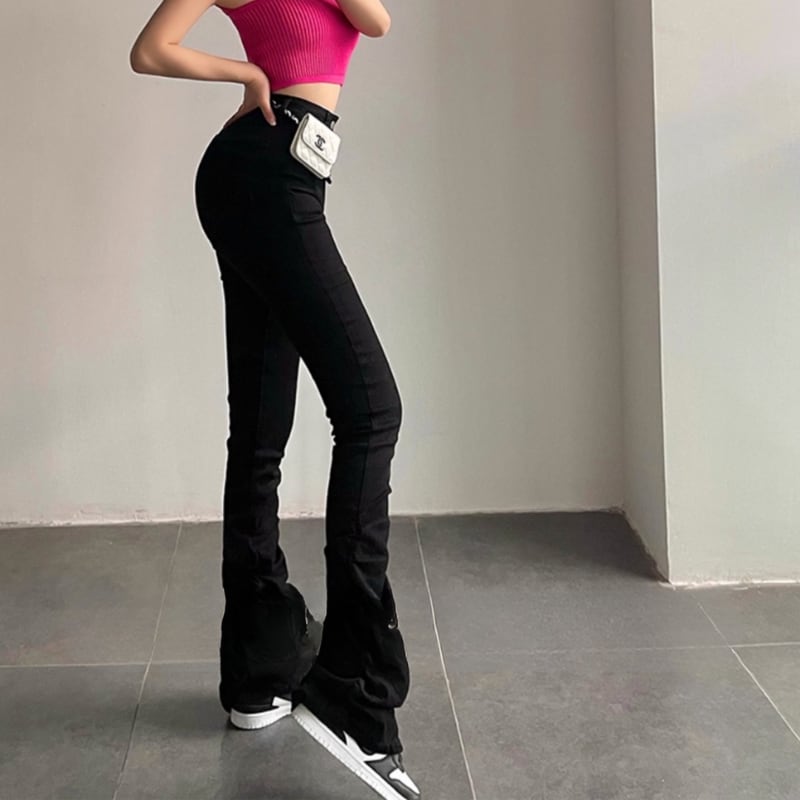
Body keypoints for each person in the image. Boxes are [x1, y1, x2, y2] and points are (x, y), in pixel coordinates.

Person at [129, 2, 421, 798]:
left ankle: (257, 674)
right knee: (372, 411)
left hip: (277, 171)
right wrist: (247, 73)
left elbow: (373, 18)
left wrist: (256, 74)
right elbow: (150, 50)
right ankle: (353, 692)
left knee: (262, 427)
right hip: (264, 170)